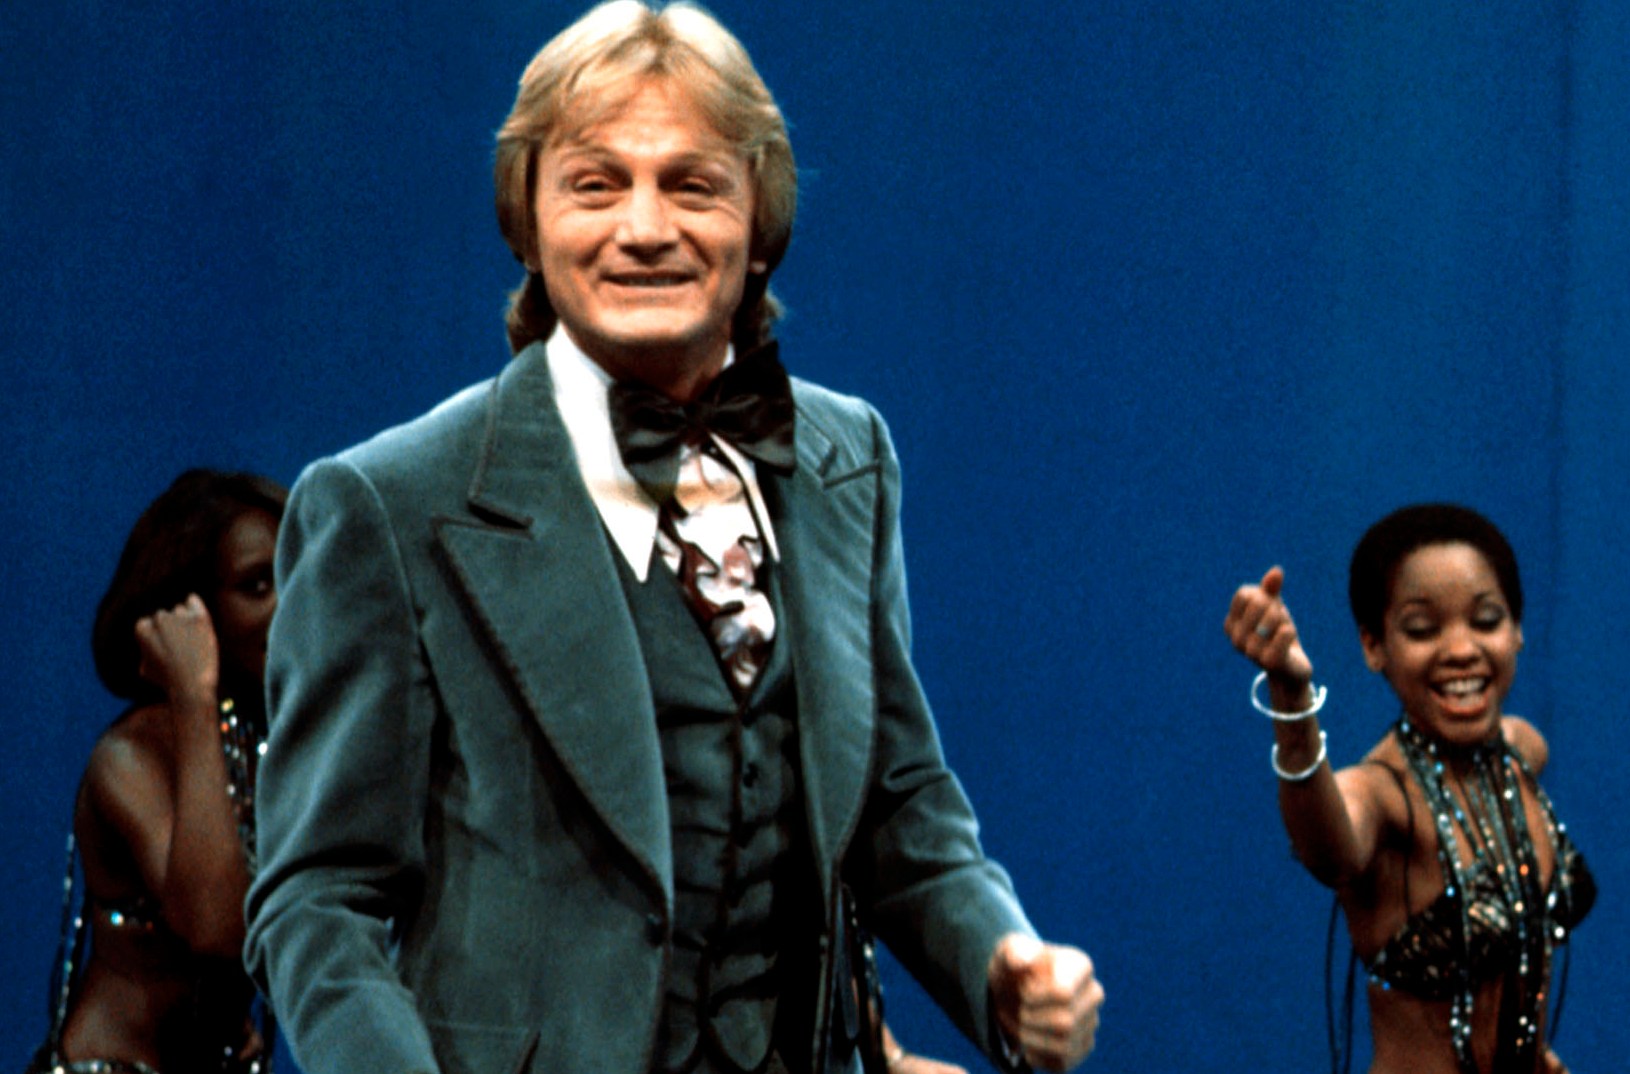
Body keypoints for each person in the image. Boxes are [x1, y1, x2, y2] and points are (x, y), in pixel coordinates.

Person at [242, 4, 1103, 1074]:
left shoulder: (848, 459)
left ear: (760, 222)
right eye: (595, 185)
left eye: (690, 183)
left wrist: (1001, 963)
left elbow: (896, 802)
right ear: (527, 221)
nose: (644, 228)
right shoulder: (390, 503)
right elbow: (317, 899)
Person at [1224, 504, 1593, 1074]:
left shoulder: (1523, 752)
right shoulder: (1382, 795)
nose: (1461, 648)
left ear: (1518, 631)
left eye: (1487, 620)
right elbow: (1329, 846)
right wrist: (1291, 697)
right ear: (1375, 646)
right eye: (1423, 629)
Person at [26, 469, 285, 1074]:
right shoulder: (129, 757)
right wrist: (194, 693)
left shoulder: (254, 738)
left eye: (298, 574)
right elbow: (216, 928)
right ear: (187, 611)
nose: (290, 603)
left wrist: (222, 1014)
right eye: (258, 585)